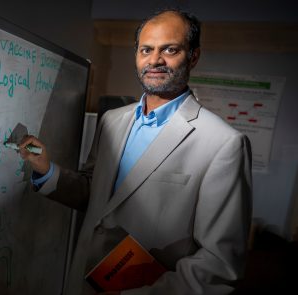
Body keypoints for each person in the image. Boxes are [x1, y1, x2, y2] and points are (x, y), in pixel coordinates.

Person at [19, 8, 253, 295]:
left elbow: (219, 265)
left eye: (169, 49)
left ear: (193, 56)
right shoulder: (112, 121)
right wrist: (46, 170)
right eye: (146, 49)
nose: (154, 60)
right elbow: (98, 195)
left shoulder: (224, 143)